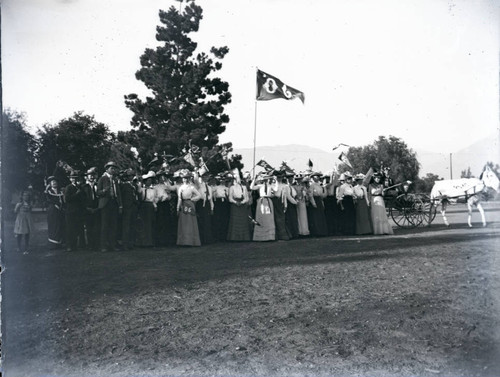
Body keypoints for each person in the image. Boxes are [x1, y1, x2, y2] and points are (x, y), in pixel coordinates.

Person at [96, 161, 123, 252]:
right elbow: (98, 192)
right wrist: (104, 191)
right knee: (105, 226)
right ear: (107, 169)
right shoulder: (102, 179)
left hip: (114, 203)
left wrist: (120, 205)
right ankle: (103, 246)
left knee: (113, 225)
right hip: (105, 204)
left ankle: (112, 245)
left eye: (114, 168)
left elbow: (118, 193)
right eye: (112, 168)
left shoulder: (115, 180)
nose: (113, 170)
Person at [176, 170, 202, 246]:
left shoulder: (191, 187)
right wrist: (178, 208)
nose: (185, 180)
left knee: (191, 222)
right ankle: (183, 241)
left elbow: (199, 195)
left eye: (187, 178)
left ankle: (191, 241)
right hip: (183, 205)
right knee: (183, 223)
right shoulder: (180, 188)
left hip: (190, 204)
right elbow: (179, 199)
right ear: (182, 179)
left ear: (189, 179)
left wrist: (192, 200)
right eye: (184, 178)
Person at [64, 170, 87, 252]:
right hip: (70, 211)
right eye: (72, 178)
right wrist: (77, 194)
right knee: (70, 229)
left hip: (78, 211)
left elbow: (84, 198)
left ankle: (78, 245)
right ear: (70, 179)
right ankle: (70, 246)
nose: (74, 179)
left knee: (78, 228)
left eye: (76, 178)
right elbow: (66, 199)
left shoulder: (80, 187)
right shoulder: (68, 187)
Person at [227, 170, 252, 241]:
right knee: (235, 222)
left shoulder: (244, 187)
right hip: (235, 206)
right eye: (236, 179)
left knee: (243, 222)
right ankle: (234, 238)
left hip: (242, 205)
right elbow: (230, 198)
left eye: (239, 178)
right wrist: (235, 202)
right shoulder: (232, 187)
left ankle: (244, 238)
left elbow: (246, 197)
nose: (238, 180)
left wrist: (242, 202)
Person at [250, 172, 276, 241]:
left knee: (269, 218)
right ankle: (261, 237)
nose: (265, 181)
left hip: (268, 201)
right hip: (262, 201)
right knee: (261, 217)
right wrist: (254, 179)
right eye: (264, 179)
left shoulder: (271, 186)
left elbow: (276, 189)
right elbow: (251, 187)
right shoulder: (260, 186)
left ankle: (270, 236)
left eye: (266, 179)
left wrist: (275, 180)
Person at [136, 171, 157, 247]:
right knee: (143, 224)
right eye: (148, 180)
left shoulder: (153, 190)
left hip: (150, 206)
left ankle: (150, 242)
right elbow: (139, 195)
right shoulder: (141, 189)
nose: (150, 182)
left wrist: (155, 206)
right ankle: (143, 242)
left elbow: (154, 199)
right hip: (143, 206)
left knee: (150, 223)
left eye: (150, 180)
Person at [120, 169, 139, 250]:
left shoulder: (135, 185)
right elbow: (121, 196)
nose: (130, 177)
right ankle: (125, 244)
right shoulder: (124, 185)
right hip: (127, 208)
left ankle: (131, 243)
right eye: (129, 176)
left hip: (134, 207)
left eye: (131, 176)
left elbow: (137, 195)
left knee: (132, 225)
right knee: (126, 226)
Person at [82, 167, 100, 251]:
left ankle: (96, 244)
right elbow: (82, 200)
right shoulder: (84, 187)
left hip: (96, 209)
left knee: (96, 227)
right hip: (87, 210)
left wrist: (97, 208)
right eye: (90, 175)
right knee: (89, 228)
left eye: (93, 175)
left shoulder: (97, 186)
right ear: (87, 177)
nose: (92, 177)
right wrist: (87, 208)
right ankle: (90, 245)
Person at [194, 171, 215, 245]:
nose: (206, 178)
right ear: (202, 178)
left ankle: (208, 239)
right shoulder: (199, 185)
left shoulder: (209, 187)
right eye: (204, 177)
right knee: (201, 221)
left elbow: (211, 199)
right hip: (200, 203)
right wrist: (196, 172)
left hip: (207, 204)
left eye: (207, 177)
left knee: (207, 222)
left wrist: (212, 208)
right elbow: (196, 180)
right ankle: (202, 239)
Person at [45, 176, 65, 248]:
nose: (54, 183)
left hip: (60, 211)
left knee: (60, 225)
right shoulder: (49, 192)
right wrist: (55, 204)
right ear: (50, 184)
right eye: (53, 182)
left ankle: (60, 242)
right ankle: (53, 244)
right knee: (53, 226)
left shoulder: (60, 191)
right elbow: (48, 200)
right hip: (53, 211)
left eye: (55, 182)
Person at [307, 172, 328, 237]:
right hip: (315, 201)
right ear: (313, 178)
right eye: (316, 177)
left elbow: (323, 195)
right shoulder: (312, 185)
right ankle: (317, 232)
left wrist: (324, 188)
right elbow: (310, 195)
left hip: (319, 201)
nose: (317, 178)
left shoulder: (320, 185)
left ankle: (322, 232)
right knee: (315, 217)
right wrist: (313, 203)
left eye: (318, 176)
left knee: (321, 217)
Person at [212, 174, 230, 242]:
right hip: (218, 202)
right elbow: (213, 195)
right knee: (217, 218)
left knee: (224, 218)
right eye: (221, 180)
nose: (222, 181)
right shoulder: (216, 187)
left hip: (225, 203)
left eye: (224, 180)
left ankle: (224, 236)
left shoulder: (227, 188)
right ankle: (217, 236)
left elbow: (228, 196)